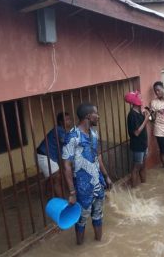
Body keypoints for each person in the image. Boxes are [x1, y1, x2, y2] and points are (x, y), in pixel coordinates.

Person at [62, 103, 112, 245]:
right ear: (88, 116)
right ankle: (80, 249)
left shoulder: (94, 135)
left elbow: (98, 157)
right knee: (81, 219)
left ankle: (99, 246)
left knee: (98, 215)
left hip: (98, 183)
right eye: (96, 113)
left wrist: (106, 176)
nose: (98, 116)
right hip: (82, 188)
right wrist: (72, 192)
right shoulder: (72, 137)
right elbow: (66, 165)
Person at [36, 112, 72, 198]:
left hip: (49, 155)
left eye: (69, 119)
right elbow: (67, 142)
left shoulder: (62, 131)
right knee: (57, 176)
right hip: (44, 155)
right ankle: (62, 200)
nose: (69, 121)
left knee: (54, 176)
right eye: (66, 120)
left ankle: (46, 189)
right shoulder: (58, 130)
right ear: (60, 122)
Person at [125, 91, 149, 188]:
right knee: (136, 167)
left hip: (144, 144)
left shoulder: (139, 111)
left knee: (143, 166)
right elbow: (136, 132)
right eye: (140, 98)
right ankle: (134, 189)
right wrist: (146, 119)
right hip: (137, 145)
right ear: (135, 101)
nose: (142, 99)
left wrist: (145, 115)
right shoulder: (132, 115)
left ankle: (144, 186)